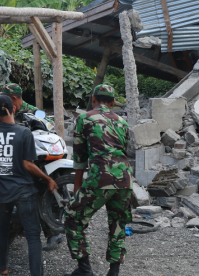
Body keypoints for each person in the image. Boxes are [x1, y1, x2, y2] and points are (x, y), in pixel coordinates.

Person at [64, 84, 133, 276]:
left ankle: (85, 270)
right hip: (125, 178)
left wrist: (77, 189)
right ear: (112, 103)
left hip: (99, 178)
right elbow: (122, 151)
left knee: (71, 217)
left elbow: (79, 158)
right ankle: (114, 272)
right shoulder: (122, 121)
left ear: (93, 99)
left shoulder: (84, 118)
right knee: (118, 224)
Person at [0, 95, 58, 276]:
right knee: (33, 235)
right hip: (23, 190)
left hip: (1, 189)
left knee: (2, 228)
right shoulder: (24, 133)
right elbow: (28, 164)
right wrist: (48, 179)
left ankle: (2, 267)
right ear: (14, 109)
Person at [0, 82, 63, 251]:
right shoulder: (5, 110)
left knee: (38, 194)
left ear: (13, 98)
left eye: (6, 98)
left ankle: (52, 234)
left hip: (35, 160)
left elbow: (48, 123)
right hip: (16, 159)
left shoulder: (34, 111)